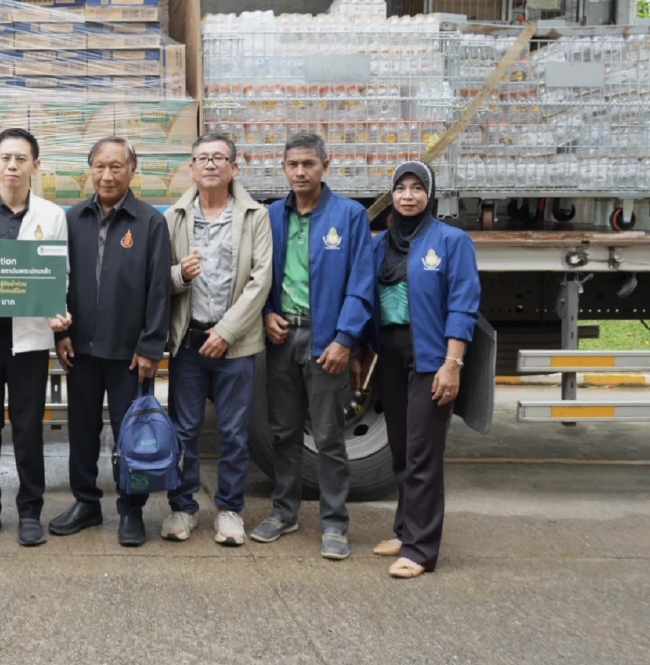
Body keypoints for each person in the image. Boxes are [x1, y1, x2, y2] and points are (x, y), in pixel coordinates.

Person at [251, 133, 374, 561]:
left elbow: (362, 283)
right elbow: (259, 273)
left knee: (327, 436)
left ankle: (335, 523)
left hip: (326, 342)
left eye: (308, 163)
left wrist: (345, 339)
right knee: (283, 432)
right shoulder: (270, 216)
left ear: (326, 165)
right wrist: (267, 313)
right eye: (292, 165)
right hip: (282, 338)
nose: (300, 172)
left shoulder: (350, 215)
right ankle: (284, 512)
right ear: (283, 168)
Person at [49, 137, 172, 548]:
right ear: (90, 169)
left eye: (116, 167)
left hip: (129, 354)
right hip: (79, 350)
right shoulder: (71, 219)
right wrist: (61, 334)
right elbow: (56, 280)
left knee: (131, 435)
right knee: (81, 432)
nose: (107, 175)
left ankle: (131, 510)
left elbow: (159, 289)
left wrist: (151, 345)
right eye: (99, 166)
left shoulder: (151, 221)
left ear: (132, 170)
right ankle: (85, 503)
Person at [0, 129, 71, 547]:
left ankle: (29, 512)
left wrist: (59, 312)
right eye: (5, 158)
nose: (12, 166)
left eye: (21, 159)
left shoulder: (52, 215)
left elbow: (60, 275)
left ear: (35, 166)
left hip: (30, 339)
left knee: (27, 429)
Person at [369, 162, 480, 579]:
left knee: (423, 455)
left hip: (432, 358)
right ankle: (404, 530)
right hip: (391, 357)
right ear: (391, 195)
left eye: (417, 188)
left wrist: (453, 364)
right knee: (401, 449)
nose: (408, 196)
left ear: (429, 195)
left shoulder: (451, 241)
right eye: (401, 188)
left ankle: (420, 549)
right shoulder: (381, 245)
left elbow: (463, 304)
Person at [162, 133, 272, 547]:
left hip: (236, 343)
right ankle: (183, 507)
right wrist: (180, 276)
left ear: (233, 168)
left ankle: (229, 510)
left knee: (234, 432)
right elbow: (160, 277)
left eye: (219, 158)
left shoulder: (253, 216)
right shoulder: (173, 217)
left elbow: (261, 279)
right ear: (191, 168)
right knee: (184, 430)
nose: (210, 164)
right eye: (202, 158)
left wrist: (226, 332)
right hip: (189, 342)